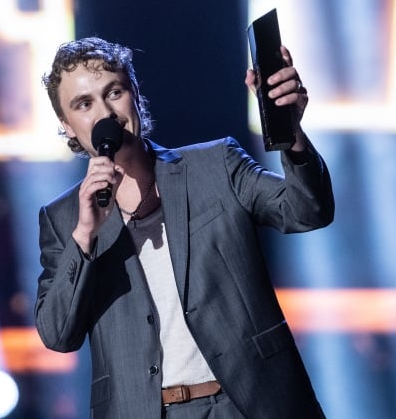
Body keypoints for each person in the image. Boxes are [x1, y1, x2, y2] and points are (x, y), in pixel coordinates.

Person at [35, 36, 334, 418]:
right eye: (84, 104)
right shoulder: (63, 220)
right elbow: (58, 334)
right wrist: (85, 237)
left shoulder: (216, 165)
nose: (105, 112)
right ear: (68, 126)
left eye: (114, 92)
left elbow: (308, 210)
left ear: (135, 95)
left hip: (248, 403)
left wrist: (292, 135)